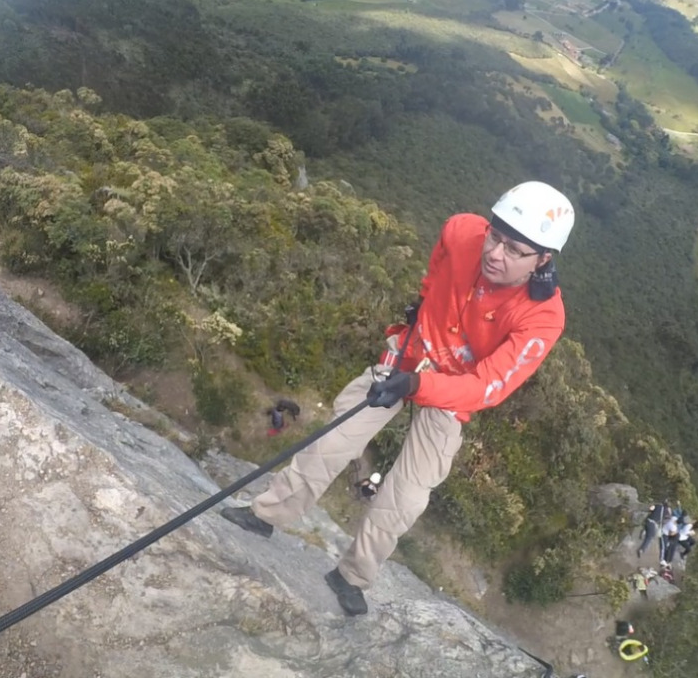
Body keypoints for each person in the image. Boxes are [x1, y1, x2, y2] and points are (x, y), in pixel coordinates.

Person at [221, 181, 575, 616]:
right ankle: (265, 515)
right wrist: (421, 304)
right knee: (335, 440)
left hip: (452, 391)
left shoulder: (542, 318)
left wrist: (418, 386)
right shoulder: (462, 231)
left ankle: (352, 576)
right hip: (412, 352)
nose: (495, 254)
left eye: (514, 250)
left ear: (543, 259)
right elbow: (438, 265)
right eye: (495, 236)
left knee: (406, 495)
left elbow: (488, 386)